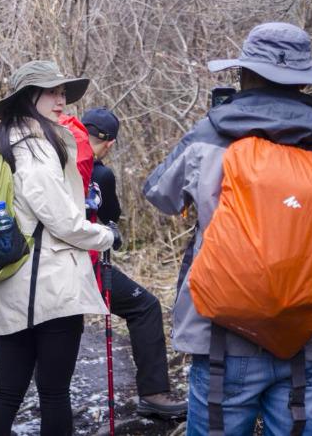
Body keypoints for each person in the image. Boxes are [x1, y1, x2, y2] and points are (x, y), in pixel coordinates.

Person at [143, 23, 312, 435]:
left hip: (219, 338)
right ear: (303, 82)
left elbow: (159, 194)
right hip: (305, 337)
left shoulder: (209, 137)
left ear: (244, 74)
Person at [0, 60, 122, 436]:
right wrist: (106, 236)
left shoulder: (0, 142)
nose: (61, 100)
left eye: (62, 93)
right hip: (51, 287)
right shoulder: (36, 149)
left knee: (6, 393)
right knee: (54, 394)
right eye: (52, 93)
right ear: (29, 97)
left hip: (12, 280)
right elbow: (64, 222)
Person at [81, 107, 188, 421]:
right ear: (110, 143)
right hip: (84, 266)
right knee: (146, 307)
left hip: (47, 264)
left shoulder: (54, 158)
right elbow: (111, 216)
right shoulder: (100, 174)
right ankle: (154, 395)